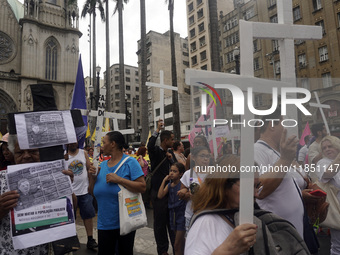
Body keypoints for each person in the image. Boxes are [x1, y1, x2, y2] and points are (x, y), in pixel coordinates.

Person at [0, 134, 74, 255]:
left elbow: (71, 210)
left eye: (33, 151)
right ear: (14, 154)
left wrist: (66, 186)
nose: (26, 156)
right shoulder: (2, 179)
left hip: (46, 250)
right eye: (20, 152)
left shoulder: (53, 176)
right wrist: (1, 208)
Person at [185, 155, 258, 254]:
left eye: (257, 186)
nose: (256, 194)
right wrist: (227, 249)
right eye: (248, 186)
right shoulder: (206, 223)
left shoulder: (248, 216)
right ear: (225, 186)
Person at [89, 131, 145, 255]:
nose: (102, 147)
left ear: (113, 144)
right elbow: (92, 193)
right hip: (104, 224)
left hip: (124, 224)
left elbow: (142, 186)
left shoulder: (130, 163)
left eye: (104, 143)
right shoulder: (101, 166)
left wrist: (119, 179)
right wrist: (92, 177)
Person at [254, 108, 304, 238]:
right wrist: (285, 160)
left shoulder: (276, 151)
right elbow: (259, 189)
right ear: (272, 125)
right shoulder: (257, 150)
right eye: (285, 123)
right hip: (279, 233)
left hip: (292, 229)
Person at [147, 119, 176, 255]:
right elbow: (150, 145)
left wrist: (171, 158)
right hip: (157, 193)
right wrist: (157, 130)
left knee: (171, 223)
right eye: (171, 139)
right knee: (160, 224)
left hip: (169, 192)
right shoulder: (156, 152)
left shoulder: (169, 154)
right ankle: (162, 250)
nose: (173, 141)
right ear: (165, 141)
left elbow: (177, 168)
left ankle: (177, 247)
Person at [65, 142, 98, 249]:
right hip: (70, 193)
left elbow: (89, 168)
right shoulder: (63, 155)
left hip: (84, 191)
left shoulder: (83, 153)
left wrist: (91, 182)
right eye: (69, 142)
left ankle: (90, 239)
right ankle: (71, 240)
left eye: (74, 141)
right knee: (70, 218)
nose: (72, 144)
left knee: (88, 215)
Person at [178, 146, 211, 231]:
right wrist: (186, 194)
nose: (205, 159)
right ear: (194, 158)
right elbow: (183, 194)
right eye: (202, 156)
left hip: (209, 214)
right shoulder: (188, 174)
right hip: (191, 214)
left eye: (207, 156)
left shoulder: (214, 174)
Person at [316, 135, 340, 255]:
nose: (327, 149)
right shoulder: (322, 163)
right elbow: (328, 173)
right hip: (337, 209)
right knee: (338, 246)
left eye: (330, 146)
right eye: (324, 148)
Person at [158, 162, 186, 255]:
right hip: (172, 214)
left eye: (175, 171)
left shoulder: (183, 184)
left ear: (181, 174)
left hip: (181, 214)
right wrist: (164, 180)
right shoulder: (170, 185)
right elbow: (160, 195)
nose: (172, 173)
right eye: (171, 171)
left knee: (177, 244)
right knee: (178, 242)